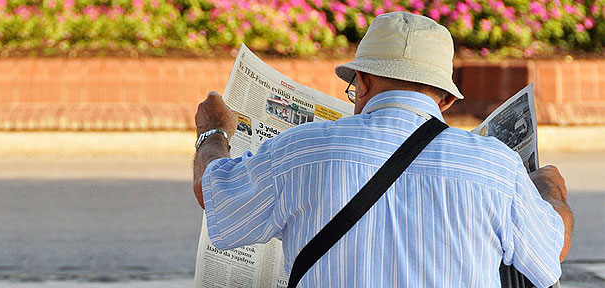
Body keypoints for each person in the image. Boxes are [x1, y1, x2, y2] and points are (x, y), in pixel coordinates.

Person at [193, 12, 572, 287]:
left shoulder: (299, 149)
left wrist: (212, 132)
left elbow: (215, 194)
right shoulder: (496, 166)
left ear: (363, 80)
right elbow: (550, 254)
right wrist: (550, 191)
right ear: (444, 101)